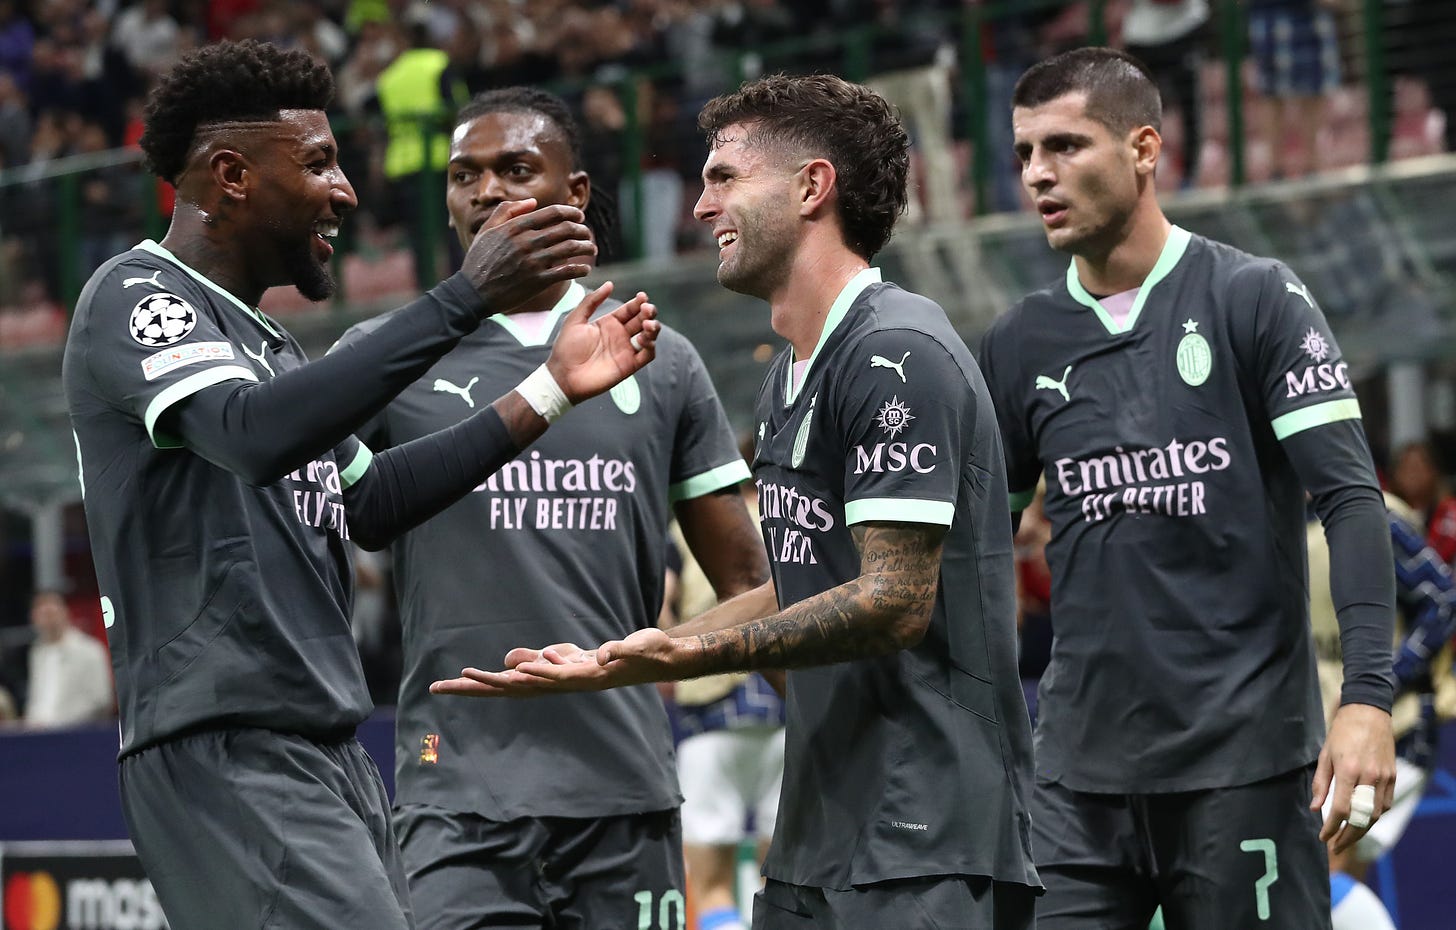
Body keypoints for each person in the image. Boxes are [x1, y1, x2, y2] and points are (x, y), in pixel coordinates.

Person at [62, 40, 659, 930]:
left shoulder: (268, 346)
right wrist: (466, 298)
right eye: (319, 162)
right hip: (226, 744)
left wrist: (548, 391)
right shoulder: (136, 296)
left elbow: (371, 500)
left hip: (328, 750)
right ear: (230, 175)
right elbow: (251, 436)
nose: (344, 190)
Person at [434, 73, 1041, 930]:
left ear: (810, 188)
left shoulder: (895, 350)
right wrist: (624, 656)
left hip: (925, 840)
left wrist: (678, 663)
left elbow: (895, 602)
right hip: (825, 833)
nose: (699, 206)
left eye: (723, 179)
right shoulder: (789, 370)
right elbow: (800, 582)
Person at [977, 47, 1397, 929]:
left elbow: (1352, 504)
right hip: (1073, 779)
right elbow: (978, 556)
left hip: (1243, 765)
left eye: (1065, 146)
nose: (1038, 175)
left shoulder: (1256, 298)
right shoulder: (1019, 344)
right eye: (1023, 154)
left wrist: (1365, 700)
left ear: (1143, 148)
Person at [334, 87, 768, 930]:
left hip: (623, 791)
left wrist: (831, 732)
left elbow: (750, 584)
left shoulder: (662, 358)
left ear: (574, 195)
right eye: (466, 175)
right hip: (452, 797)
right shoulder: (383, 357)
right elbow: (325, 516)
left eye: (515, 169)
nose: (485, 191)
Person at [23, 589, 112, 728]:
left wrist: (59, 722)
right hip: (36, 734)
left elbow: (101, 700)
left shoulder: (90, 650)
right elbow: (36, 699)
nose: (47, 620)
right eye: (42, 614)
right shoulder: (36, 652)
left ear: (65, 612)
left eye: (51, 613)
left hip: (75, 734)